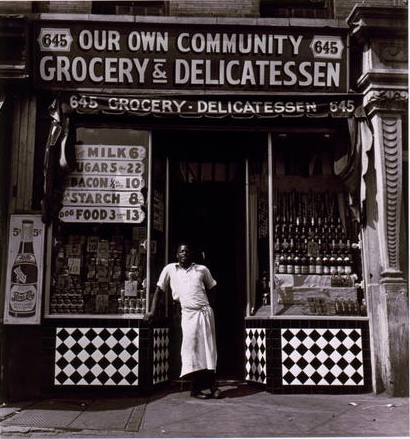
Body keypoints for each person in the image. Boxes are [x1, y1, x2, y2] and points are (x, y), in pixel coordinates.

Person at [145, 243, 221, 399]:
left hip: (204, 313)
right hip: (187, 314)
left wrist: (209, 306)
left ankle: (213, 387)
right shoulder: (170, 269)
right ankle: (195, 389)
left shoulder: (201, 269)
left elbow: (212, 287)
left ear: (191, 254)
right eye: (181, 251)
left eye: (187, 251)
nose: (184, 253)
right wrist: (152, 311)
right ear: (177, 255)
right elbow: (159, 290)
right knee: (191, 350)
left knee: (208, 349)